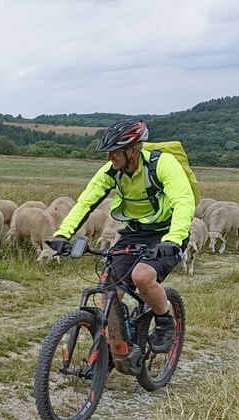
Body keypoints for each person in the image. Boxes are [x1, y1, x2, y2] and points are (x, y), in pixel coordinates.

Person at [47, 118, 195, 353]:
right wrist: (63, 234)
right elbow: (86, 202)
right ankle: (116, 350)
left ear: (133, 150)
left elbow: (183, 201)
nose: (109, 158)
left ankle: (165, 322)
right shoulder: (111, 172)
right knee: (108, 290)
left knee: (142, 277)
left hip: (166, 233)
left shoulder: (163, 164)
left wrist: (173, 240)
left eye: (114, 152)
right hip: (134, 232)